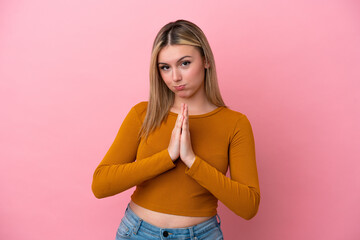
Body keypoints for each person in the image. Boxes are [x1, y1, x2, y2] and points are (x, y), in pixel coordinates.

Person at [91, 19, 260, 240]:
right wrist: (168, 156)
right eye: (165, 67)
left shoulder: (235, 123)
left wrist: (192, 160)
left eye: (185, 63)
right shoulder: (143, 114)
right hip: (138, 232)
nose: (175, 77)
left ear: (206, 60)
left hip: (201, 235)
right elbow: (100, 185)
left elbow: (248, 206)